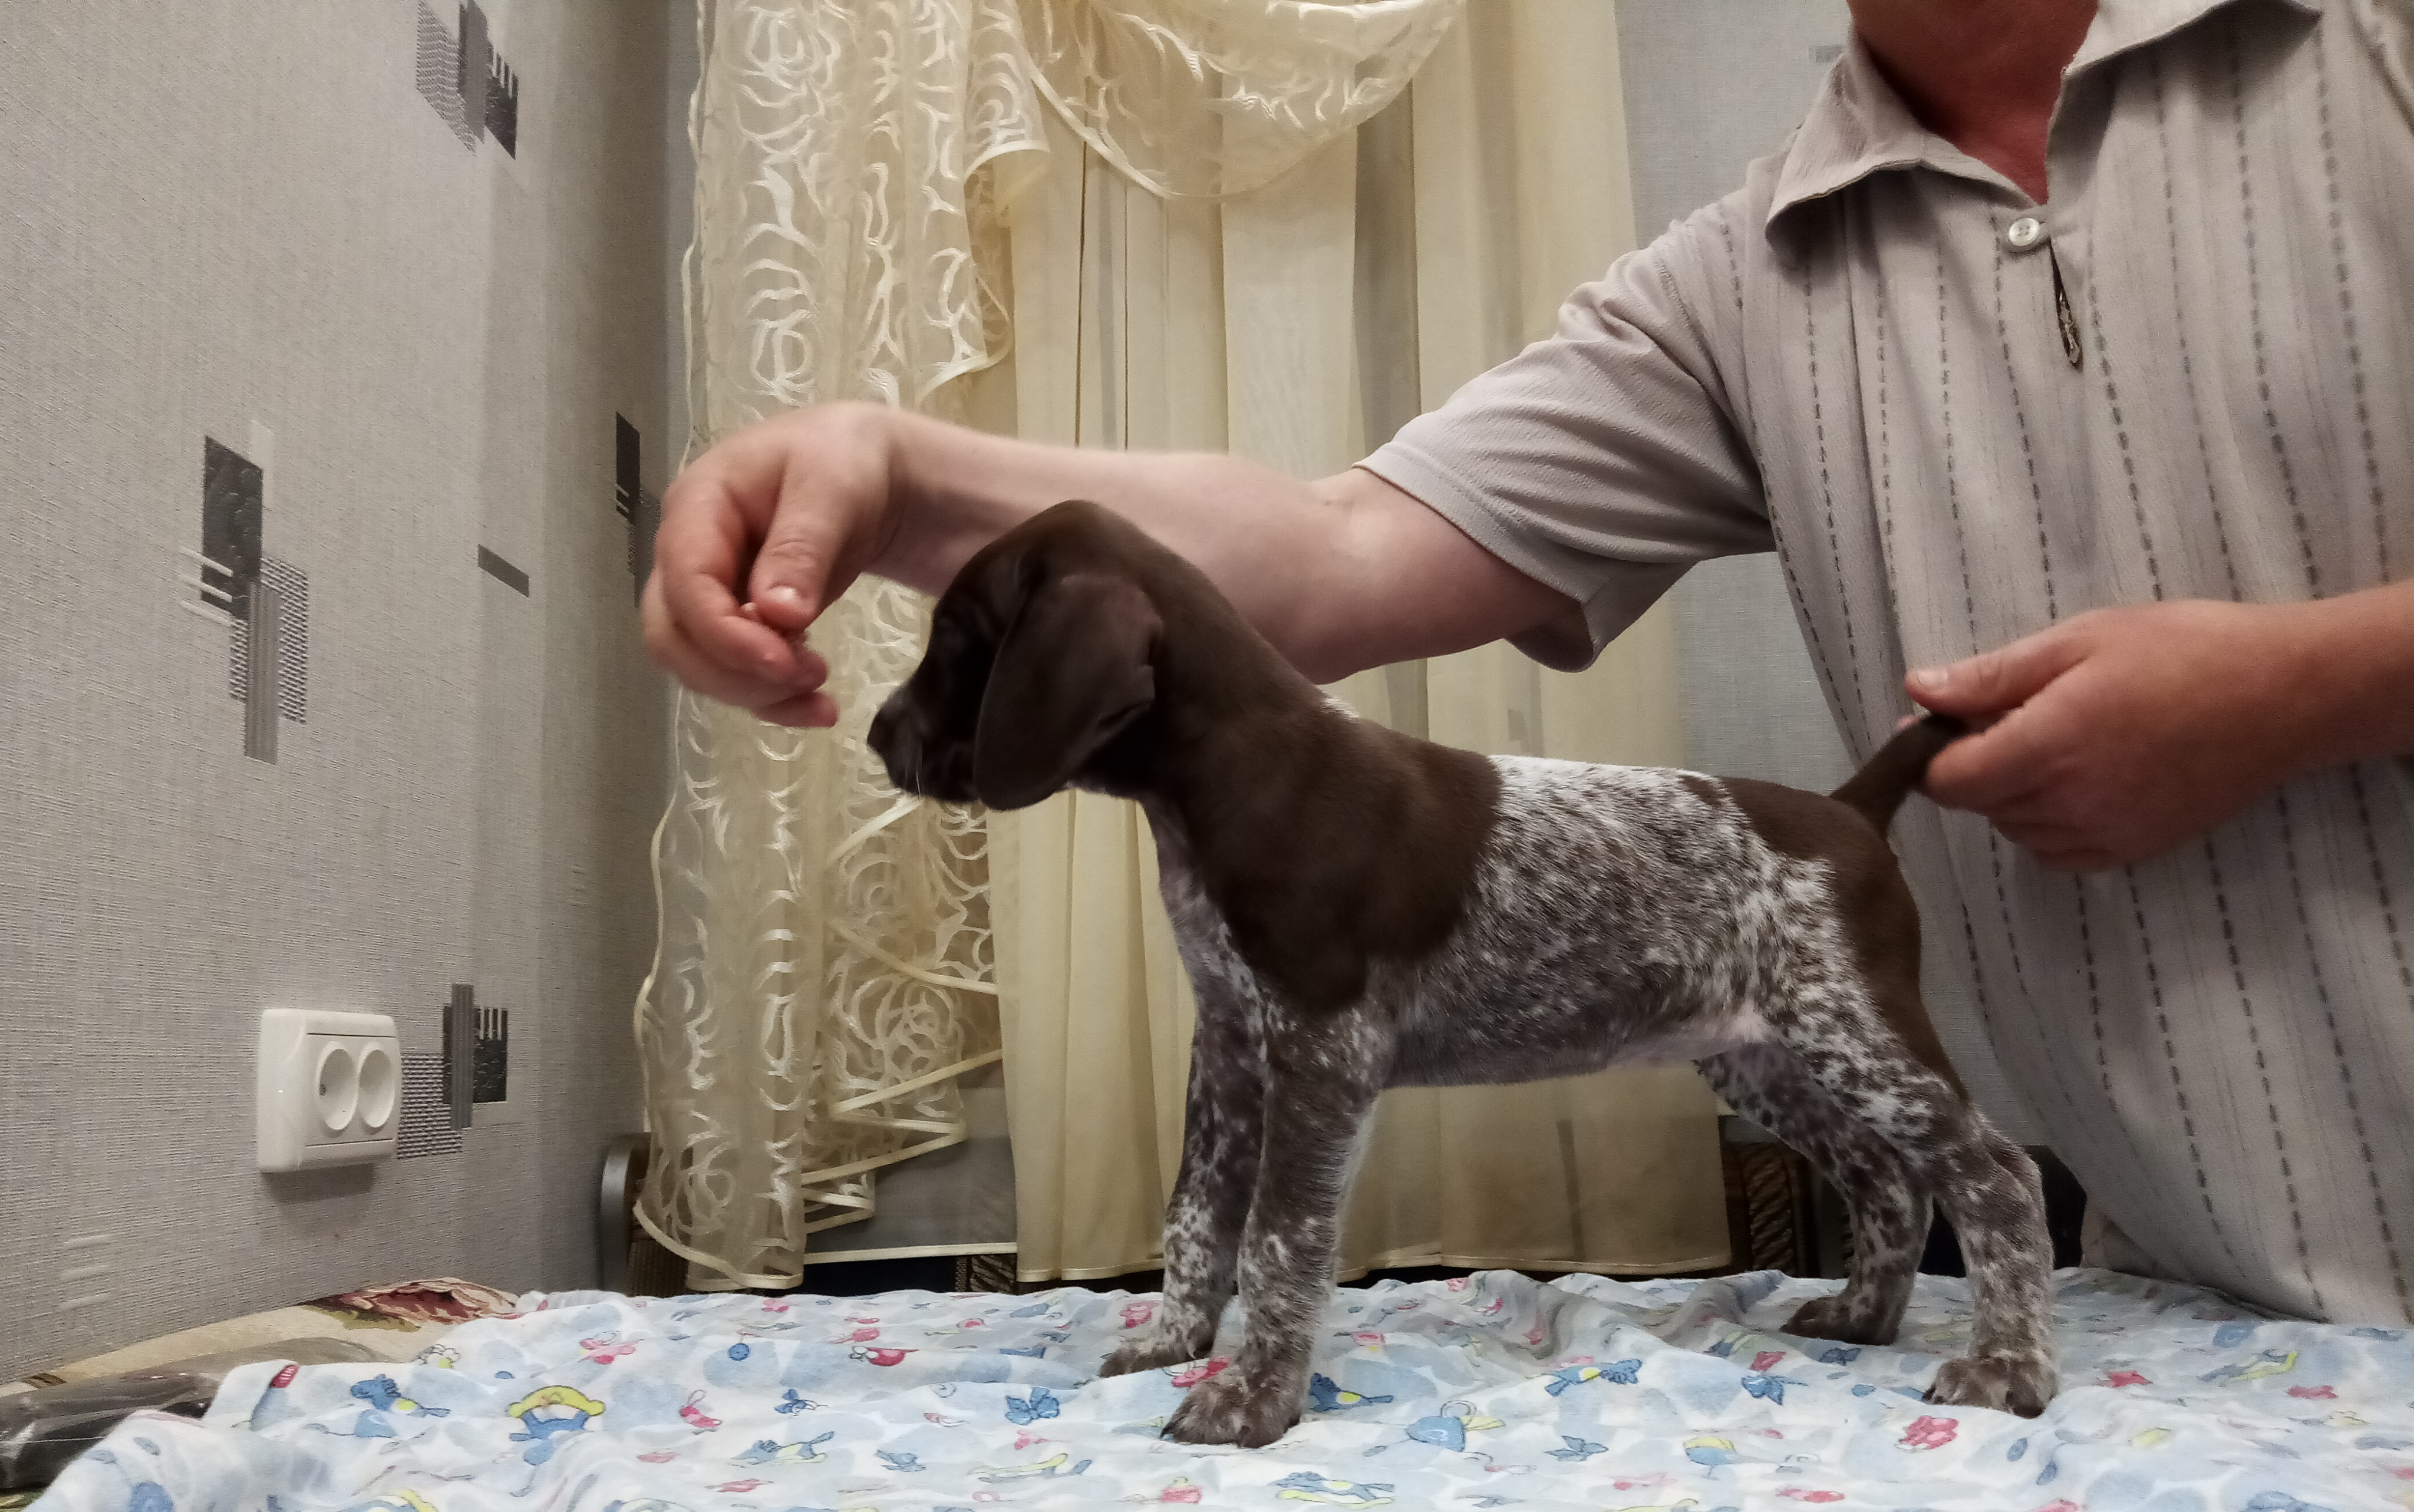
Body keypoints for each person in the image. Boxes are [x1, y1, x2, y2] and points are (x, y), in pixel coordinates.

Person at [642, 0, 2414, 1325]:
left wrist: (2314, 685)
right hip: (2200, 1302)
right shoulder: (1745, 279)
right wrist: (899, 476)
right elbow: (1332, 549)